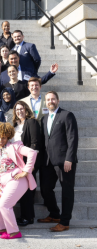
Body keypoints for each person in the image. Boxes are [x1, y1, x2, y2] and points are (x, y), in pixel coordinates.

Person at [0, 122, 38, 239]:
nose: (0, 139)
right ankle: (3, 228)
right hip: (2, 182)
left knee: (4, 204)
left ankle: (14, 232)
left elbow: (32, 152)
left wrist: (26, 170)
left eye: (3, 137)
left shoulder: (14, 146)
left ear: (8, 137)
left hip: (16, 179)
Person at [38, 91, 79, 232]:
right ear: (45, 102)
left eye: (53, 99)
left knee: (67, 191)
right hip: (48, 161)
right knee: (45, 188)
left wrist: (70, 158)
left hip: (64, 161)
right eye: (48, 99)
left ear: (58, 101)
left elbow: (72, 139)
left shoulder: (67, 115)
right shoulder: (44, 119)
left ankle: (65, 221)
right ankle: (54, 213)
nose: (50, 101)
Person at [11, 101, 41, 227]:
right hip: (16, 162)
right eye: (17, 109)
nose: (19, 111)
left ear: (26, 109)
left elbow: (35, 143)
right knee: (21, 189)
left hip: (28, 161)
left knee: (27, 190)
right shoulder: (14, 125)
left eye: (21, 109)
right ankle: (25, 216)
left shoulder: (31, 122)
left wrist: (31, 164)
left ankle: (28, 217)